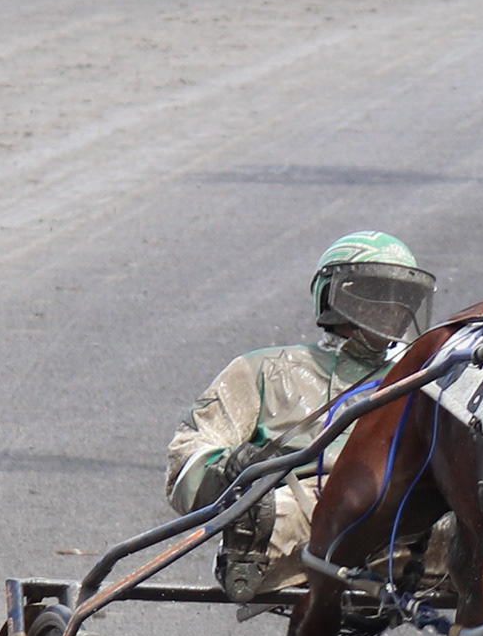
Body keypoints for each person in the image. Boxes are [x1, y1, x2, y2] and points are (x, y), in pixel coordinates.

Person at [165, 231, 439, 601]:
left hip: (400, 516)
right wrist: (232, 468)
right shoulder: (263, 369)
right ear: (332, 296)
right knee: (275, 513)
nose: (391, 308)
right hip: (299, 512)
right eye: (375, 294)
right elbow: (184, 462)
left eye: (402, 298)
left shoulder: (425, 379)